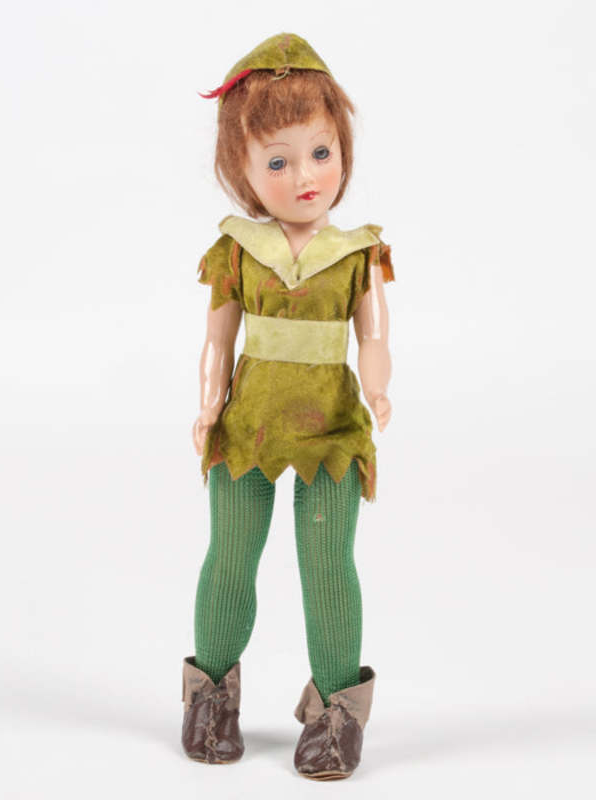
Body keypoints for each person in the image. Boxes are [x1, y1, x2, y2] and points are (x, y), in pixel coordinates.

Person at [180, 32, 394, 780]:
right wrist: (209, 402)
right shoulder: (237, 251)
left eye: (321, 152)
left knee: (328, 568)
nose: (305, 177)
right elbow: (217, 339)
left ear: (342, 151)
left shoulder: (359, 254)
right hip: (246, 429)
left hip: (331, 431)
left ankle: (337, 710)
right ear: (239, 170)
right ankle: (210, 694)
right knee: (230, 559)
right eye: (277, 162)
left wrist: (377, 386)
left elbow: (373, 336)